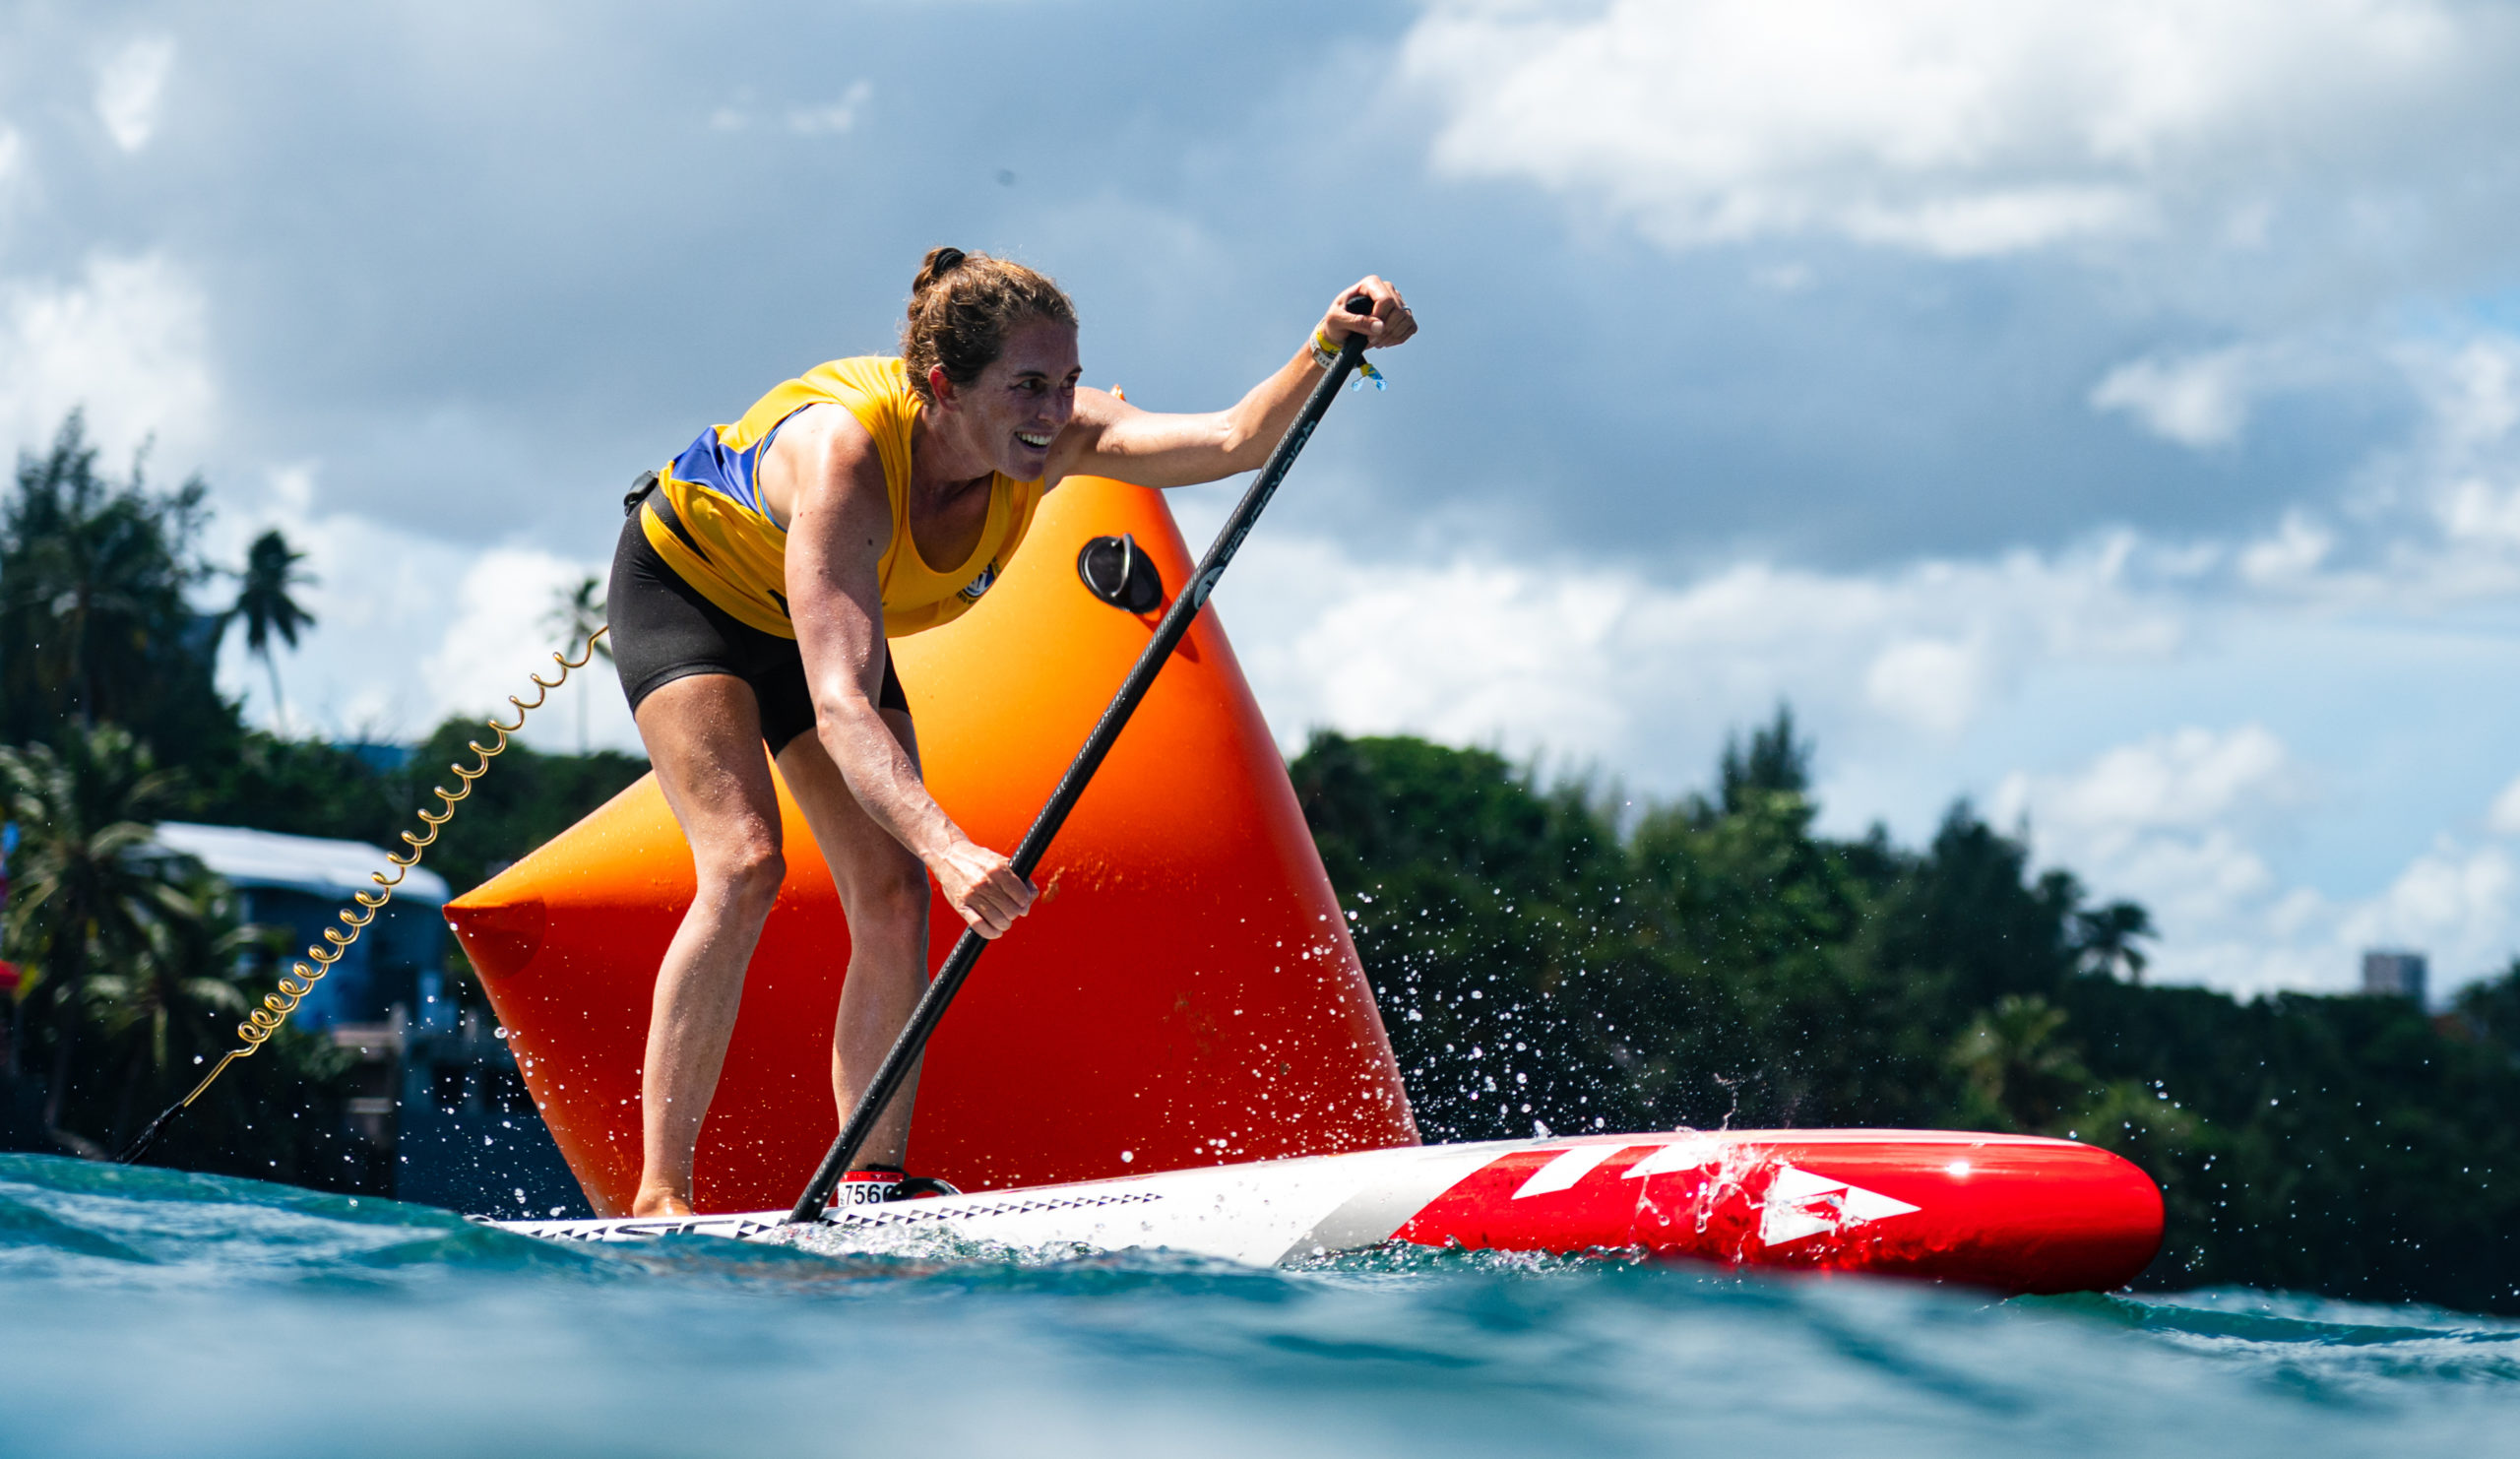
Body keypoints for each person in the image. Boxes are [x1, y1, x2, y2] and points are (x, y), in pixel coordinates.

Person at [607, 248, 1417, 1216]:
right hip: (692, 592)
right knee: (744, 863)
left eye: (1067, 382)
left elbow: (1238, 438)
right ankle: (659, 1196)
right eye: (1028, 385)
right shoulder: (847, 460)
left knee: (891, 889)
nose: (1053, 409)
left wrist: (1328, 345)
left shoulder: (1055, 439)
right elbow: (841, 709)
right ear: (943, 388)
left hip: (819, 621)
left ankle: (869, 1181)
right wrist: (951, 844)